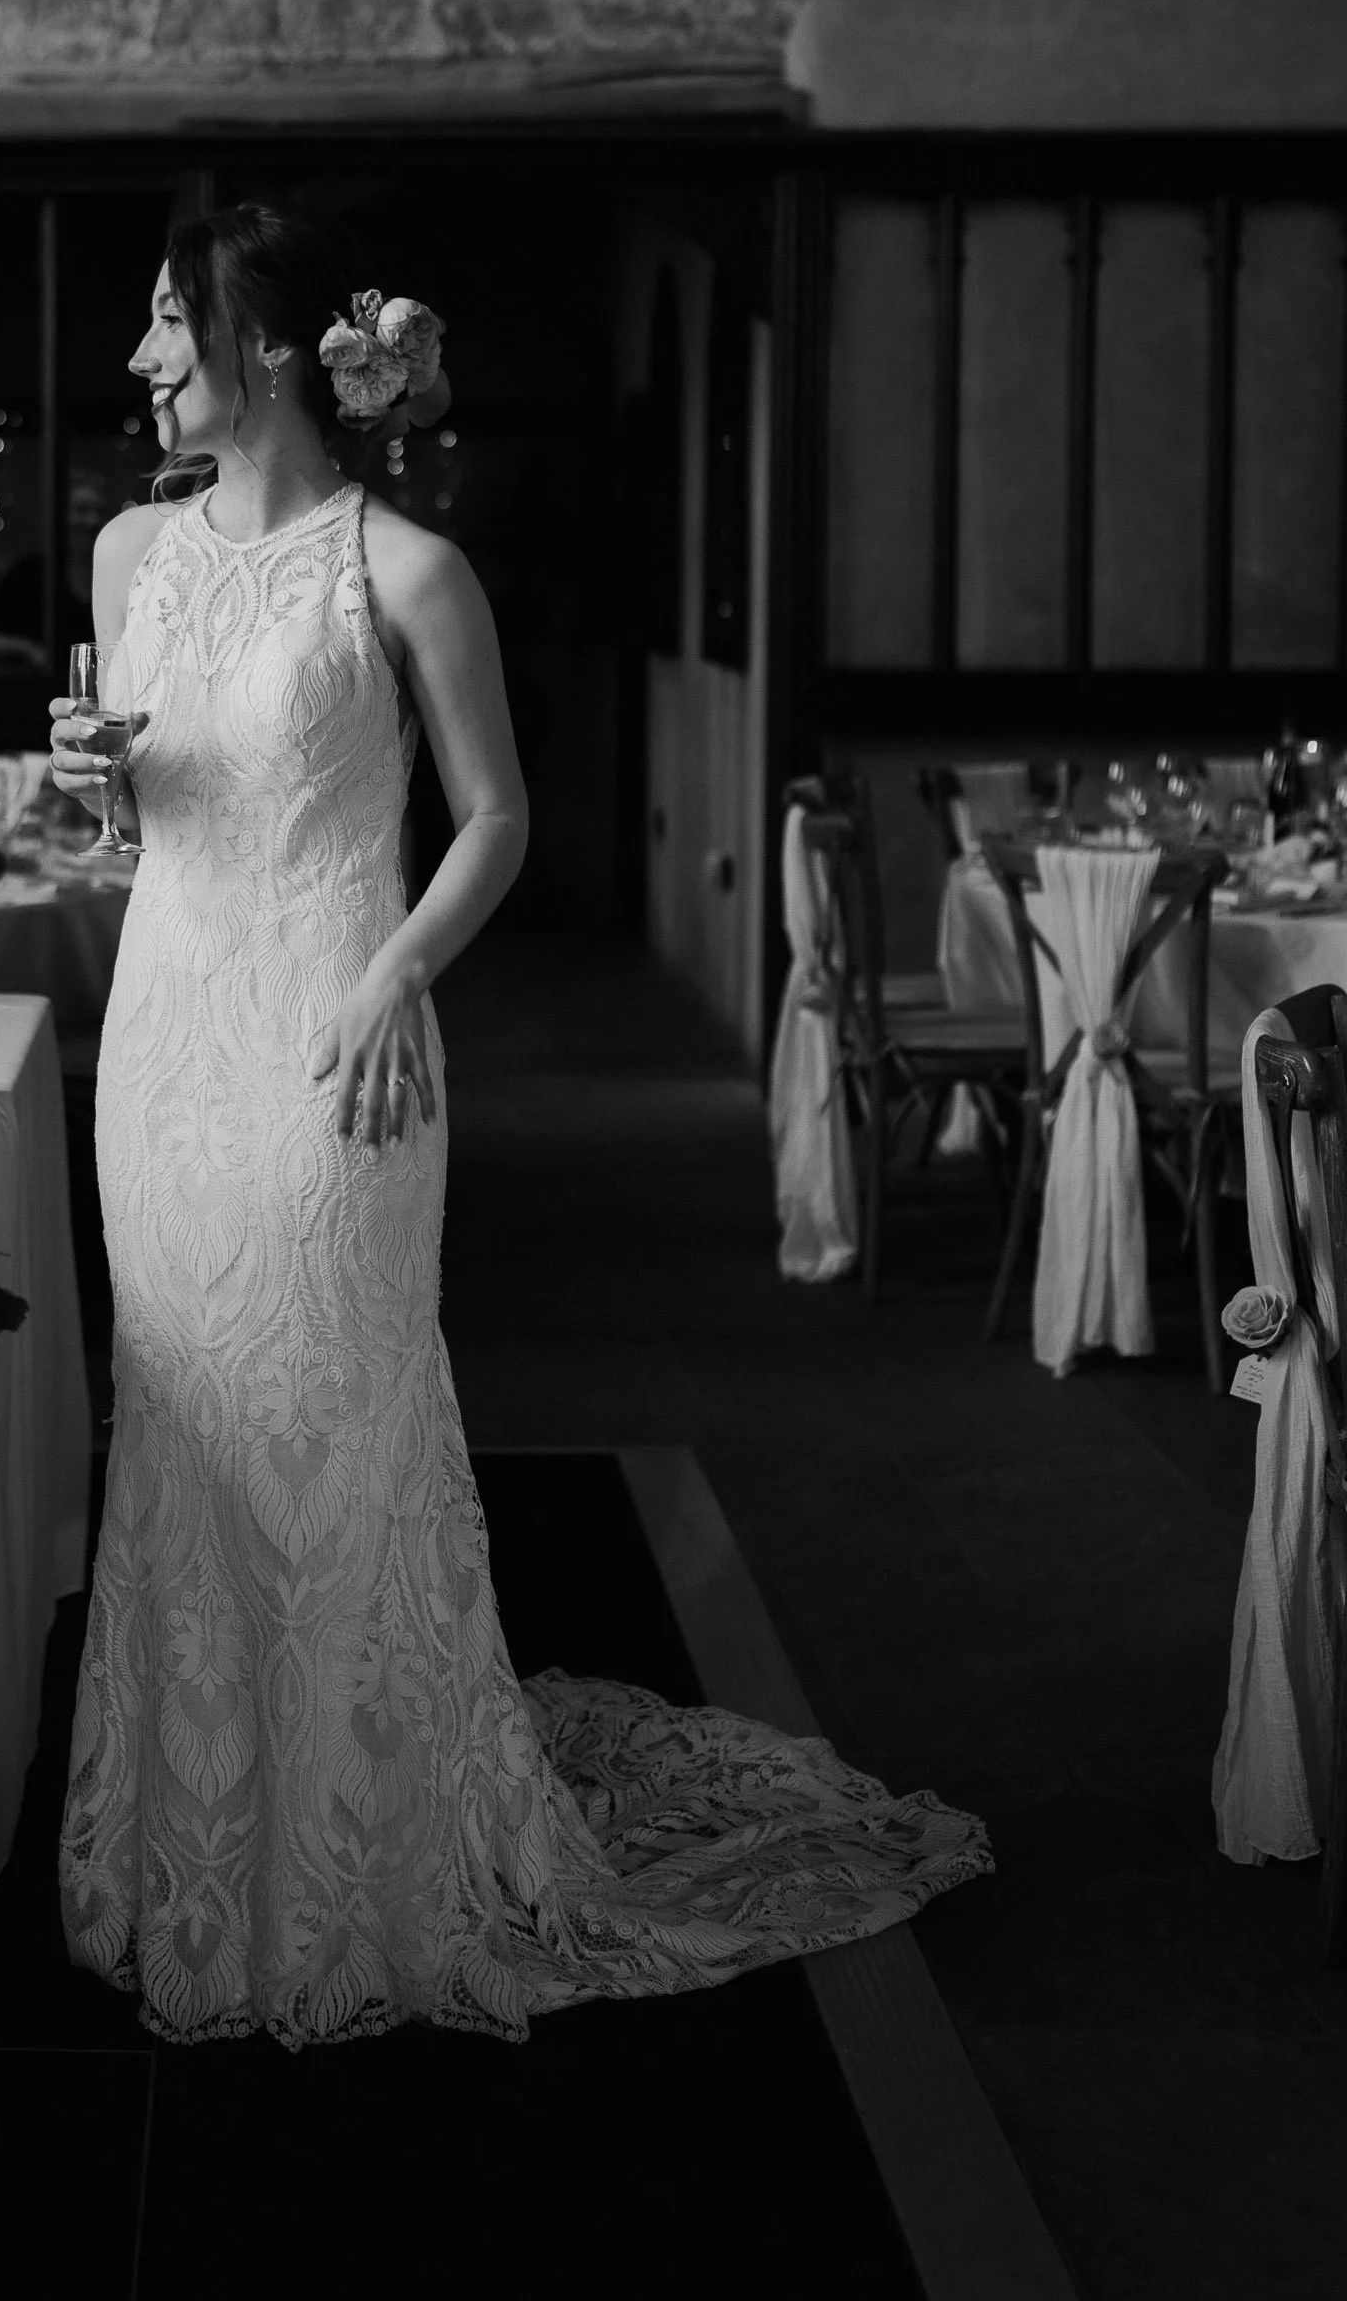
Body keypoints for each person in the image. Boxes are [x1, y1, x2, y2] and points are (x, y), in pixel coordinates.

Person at [52, 203, 989, 2048]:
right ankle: (196, 1845)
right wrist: (91, 785)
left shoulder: (403, 572)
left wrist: (399, 970)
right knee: (180, 1416)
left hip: (339, 1046)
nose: (142, 361)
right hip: (163, 1047)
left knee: (336, 1416)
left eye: (169, 325)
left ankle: (361, 1857)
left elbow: (493, 818)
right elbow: (132, 821)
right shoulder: (124, 552)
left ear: (264, 345)